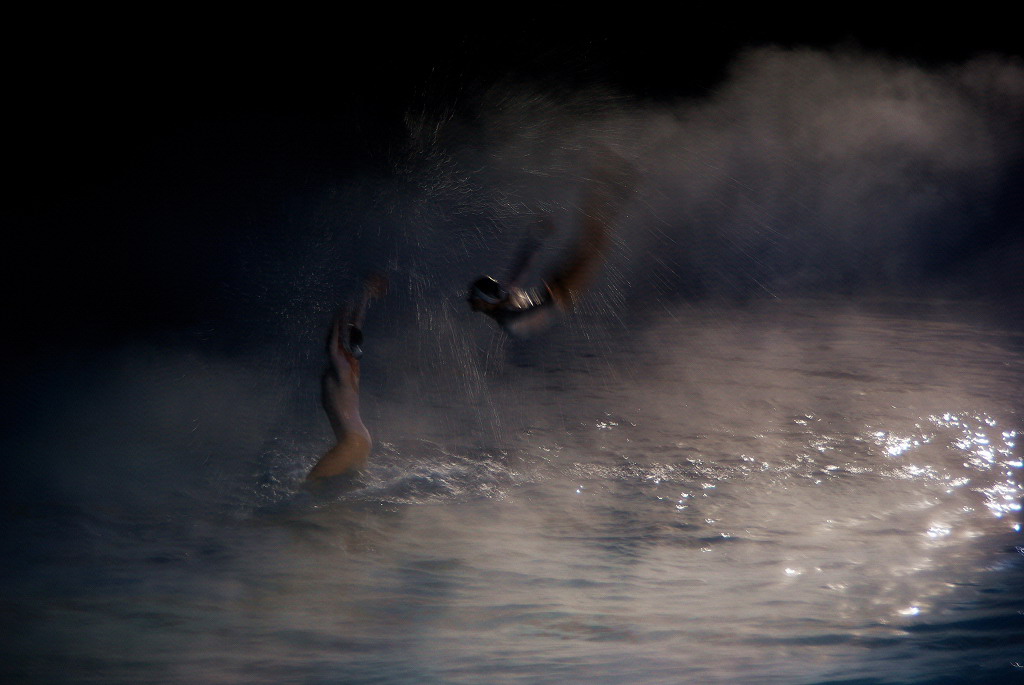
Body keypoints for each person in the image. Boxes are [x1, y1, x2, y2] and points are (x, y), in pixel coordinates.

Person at [467, 153, 635, 337]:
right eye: (491, 291)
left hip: (556, 288)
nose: (497, 290)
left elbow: (520, 267)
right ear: (484, 303)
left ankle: (606, 183)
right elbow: (532, 319)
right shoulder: (507, 319)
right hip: (560, 296)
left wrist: (536, 237)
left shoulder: (504, 296)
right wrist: (549, 300)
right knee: (594, 243)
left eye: (493, 287)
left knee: (592, 241)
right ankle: (609, 184)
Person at [306, 275, 386, 482]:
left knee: (310, 486)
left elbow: (334, 340)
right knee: (343, 492)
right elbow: (356, 327)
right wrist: (366, 296)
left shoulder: (341, 366)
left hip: (352, 442)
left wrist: (340, 313)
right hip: (359, 441)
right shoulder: (351, 366)